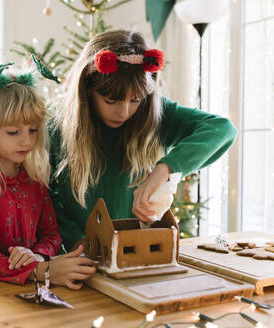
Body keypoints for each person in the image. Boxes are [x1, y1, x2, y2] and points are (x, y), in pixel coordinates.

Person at [49, 30, 237, 252]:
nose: (124, 112)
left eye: (135, 100)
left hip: (140, 254)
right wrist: (75, 240)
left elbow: (223, 129)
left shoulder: (157, 114)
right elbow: (48, 196)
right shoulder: (58, 125)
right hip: (81, 258)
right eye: (111, 101)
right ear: (88, 88)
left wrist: (165, 169)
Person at [0, 63, 95, 289]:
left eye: (33, 130)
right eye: (13, 132)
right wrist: (40, 270)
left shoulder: (34, 173)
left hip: (23, 287)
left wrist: (36, 256)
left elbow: (52, 234)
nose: (26, 140)